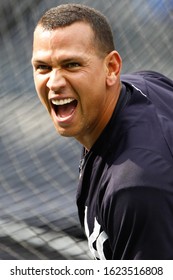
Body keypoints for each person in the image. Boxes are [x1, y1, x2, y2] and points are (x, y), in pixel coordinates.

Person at [31, 4, 173, 260]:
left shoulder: (134, 187)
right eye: (42, 67)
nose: (54, 82)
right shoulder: (143, 85)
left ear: (112, 68)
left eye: (72, 64)